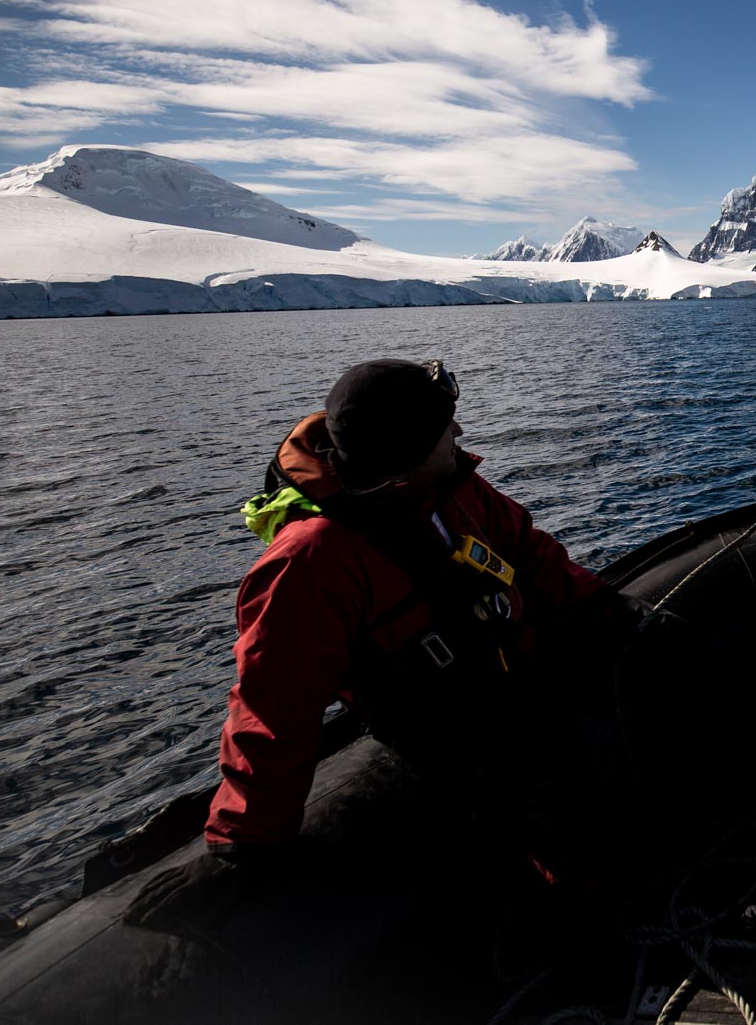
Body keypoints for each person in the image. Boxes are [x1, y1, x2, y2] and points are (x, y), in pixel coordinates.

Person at [128, 358, 634, 928]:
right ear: (408, 448)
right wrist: (244, 842)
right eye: (447, 426)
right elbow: (274, 708)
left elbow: (529, 550)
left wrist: (607, 611)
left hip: (514, 677)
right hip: (452, 732)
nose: (460, 433)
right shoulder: (312, 562)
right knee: (577, 839)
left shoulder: (449, 487)